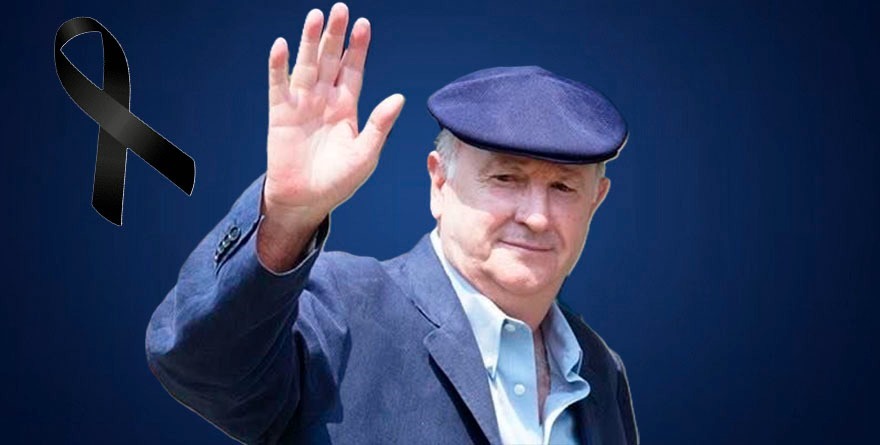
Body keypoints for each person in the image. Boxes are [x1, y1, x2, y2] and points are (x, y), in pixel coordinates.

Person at [145, 3, 638, 444]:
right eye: (506, 178)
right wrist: (287, 218)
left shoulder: (599, 368)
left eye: (563, 187)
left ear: (596, 201)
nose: (535, 216)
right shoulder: (340, 312)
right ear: (439, 183)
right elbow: (198, 364)